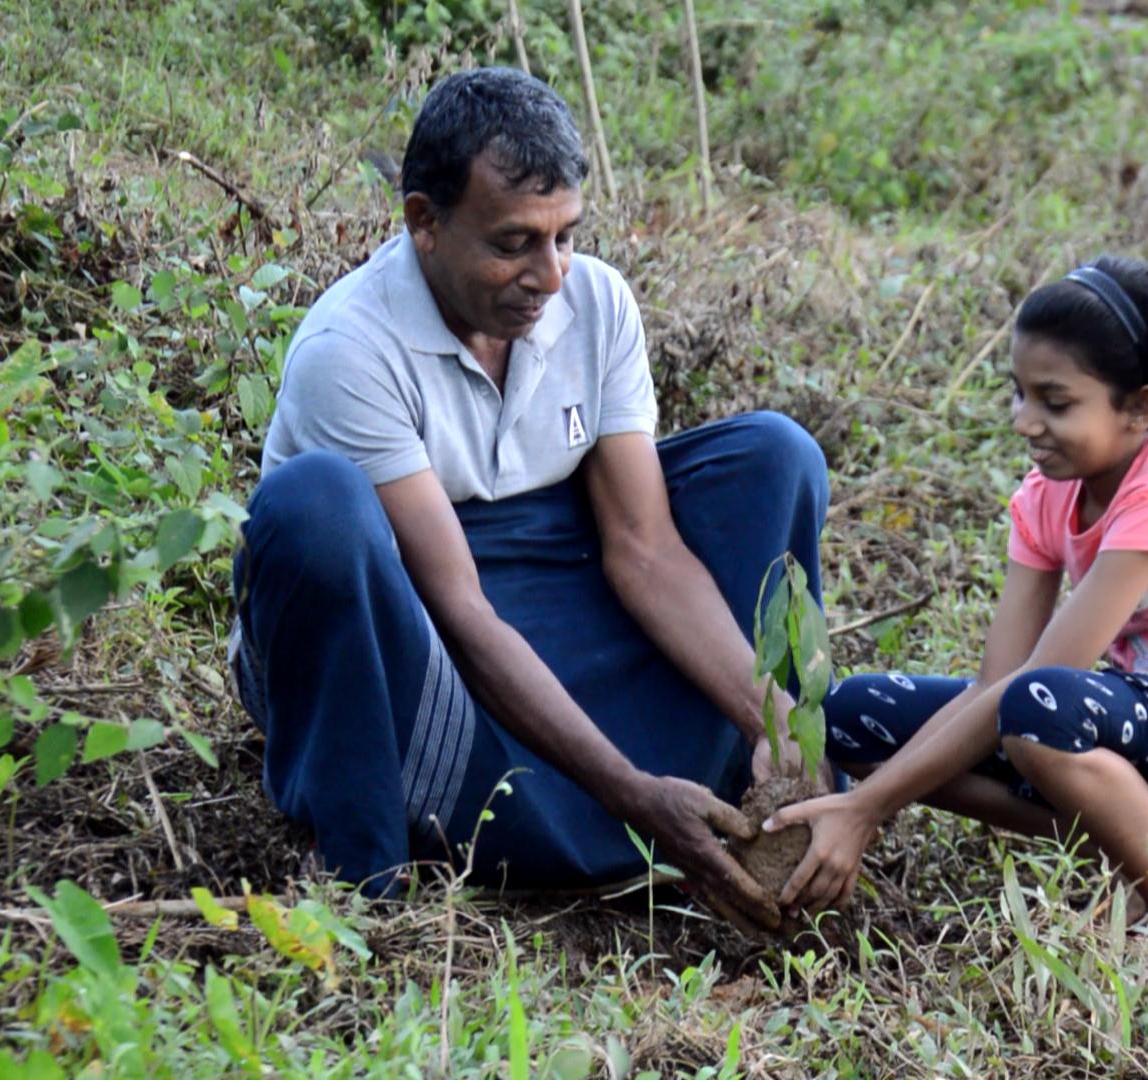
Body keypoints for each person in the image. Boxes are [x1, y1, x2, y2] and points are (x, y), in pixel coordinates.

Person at [229, 68, 829, 930]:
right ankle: (372, 856)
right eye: (513, 243)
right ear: (424, 222)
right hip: (416, 630)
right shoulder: (350, 352)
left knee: (773, 456)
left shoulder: (596, 302)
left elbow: (647, 550)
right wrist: (629, 793)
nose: (548, 276)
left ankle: (720, 786)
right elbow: (461, 610)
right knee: (312, 506)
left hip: (553, 588)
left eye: (565, 237)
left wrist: (771, 721)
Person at [764, 257, 1148, 964]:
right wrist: (868, 793)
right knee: (855, 716)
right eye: (1019, 393)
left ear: (1141, 408)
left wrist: (867, 807)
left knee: (1041, 707)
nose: (1025, 421)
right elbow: (995, 680)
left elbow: (1042, 678)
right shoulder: (1047, 495)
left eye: (1056, 403)